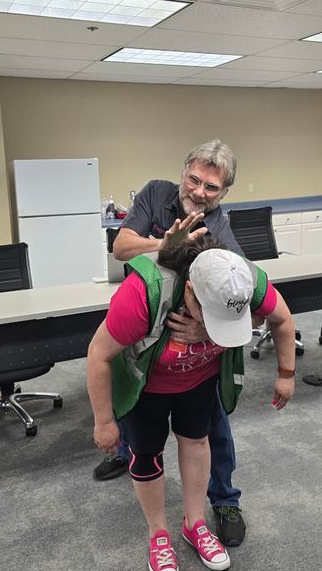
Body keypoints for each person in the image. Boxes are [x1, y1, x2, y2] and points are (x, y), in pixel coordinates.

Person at [87, 235, 295, 571]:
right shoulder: (143, 293)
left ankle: (194, 524)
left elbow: (282, 320)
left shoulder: (241, 279)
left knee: (197, 442)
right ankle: (158, 535)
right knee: (147, 454)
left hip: (198, 380)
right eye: (209, 315)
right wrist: (104, 421)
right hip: (147, 385)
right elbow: (98, 353)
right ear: (188, 290)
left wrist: (286, 375)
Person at [93, 139, 249, 547]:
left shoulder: (217, 222)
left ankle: (225, 498)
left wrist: (207, 329)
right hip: (143, 319)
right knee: (136, 402)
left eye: (211, 187)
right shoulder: (157, 194)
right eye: (194, 179)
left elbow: (239, 283)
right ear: (184, 172)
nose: (199, 192)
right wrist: (167, 245)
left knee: (208, 424)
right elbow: (121, 248)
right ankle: (132, 454)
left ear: (223, 193)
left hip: (187, 336)